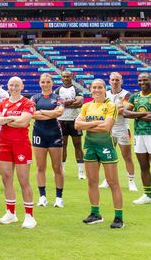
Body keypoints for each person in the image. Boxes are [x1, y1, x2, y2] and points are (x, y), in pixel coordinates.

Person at [76, 79, 125, 229]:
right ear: (90, 90)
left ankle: (119, 218)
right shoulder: (86, 106)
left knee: (113, 183)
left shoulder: (111, 106)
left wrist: (88, 126)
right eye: (94, 88)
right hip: (90, 146)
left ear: (105, 89)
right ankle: (95, 214)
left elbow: (107, 127)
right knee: (92, 182)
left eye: (99, 87)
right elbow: (77, 125)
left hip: (106, 146)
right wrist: (97, 124)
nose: (96, 90)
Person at [0, 77, 36, 229]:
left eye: (17, 85)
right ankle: (11, 213)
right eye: (11, 85)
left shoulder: (27, 103)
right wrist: (12, 119)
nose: (14, 87)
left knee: (23, 180)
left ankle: (30, 215)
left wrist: (5, 119)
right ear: (8, 86)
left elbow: (24, 122)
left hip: (21, 145)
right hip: (4, 144)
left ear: (22, 86)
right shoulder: (3, 102)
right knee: (6, 178)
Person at [124, 73, 151, 209]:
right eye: (140, 80)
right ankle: (147, 195)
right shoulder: (134, 97)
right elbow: (125, 113)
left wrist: (135, 115)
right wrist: (144, 114)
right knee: (143, 167)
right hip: (139, 136)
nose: (142, 82)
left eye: (145, 80)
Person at [30, 73, 65, 208]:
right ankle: (42, 196)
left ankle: (59, 197)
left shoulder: (58, 98)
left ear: (52, 83)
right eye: (43, 82)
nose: (45, 84)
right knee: (40, 167)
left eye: (48, 82)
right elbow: (32, 114)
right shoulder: (35, 97)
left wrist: (42, 112)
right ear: (39, 83)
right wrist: (49, 113)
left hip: (54, 133)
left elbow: (59, 113)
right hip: (39, 133)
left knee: (57, 167)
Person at [101, 72, 138, 192]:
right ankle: (107, 180)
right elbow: (100, 109)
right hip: (108, 128)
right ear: (109, 81)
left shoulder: (127, 94)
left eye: (117, 80)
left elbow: (125, 110)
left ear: (121, 81)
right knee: (108, 156)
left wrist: (109, 109)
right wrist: (116, 109)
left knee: (127, 156)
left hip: (123, 128)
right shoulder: (105, 94)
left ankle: (131, 181)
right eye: (113, 80)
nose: (115, 82)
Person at [56, 70, 86, 180]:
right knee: (62, 145)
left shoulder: (76, 89)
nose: (65, 78)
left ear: (71, 77)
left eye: (67, 76)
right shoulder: (58, 90)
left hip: (74, 120)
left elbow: (79, 103)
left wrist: (64, 104)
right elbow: (56, 104)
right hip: (61, 120)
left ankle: (81, 171)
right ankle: (62, 170)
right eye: (63, 76)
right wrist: (71, 102)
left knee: (77, 145)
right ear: (61, 78)